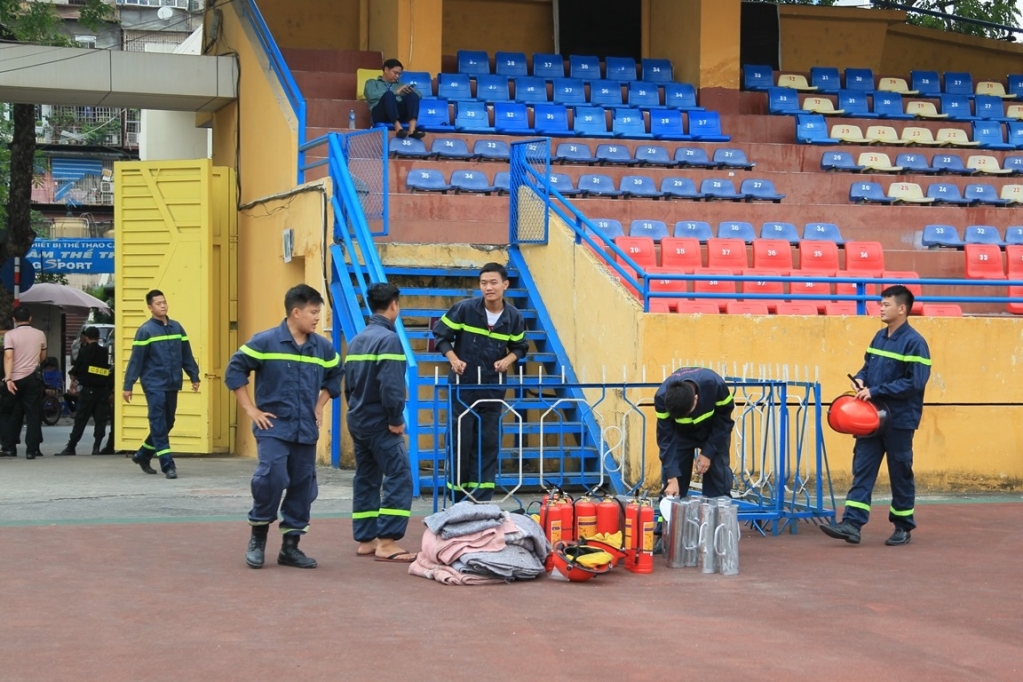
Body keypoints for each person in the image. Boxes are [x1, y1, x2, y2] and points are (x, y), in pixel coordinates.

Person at [226, 284, 343, 570]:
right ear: (296, 312)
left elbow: (335, 375)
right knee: (271, 478)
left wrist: (320, 404)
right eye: (314, 313)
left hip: (306, 430)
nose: (318, 319)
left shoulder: (323, 348)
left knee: (303, 487)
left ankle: (290, 548)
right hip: (274, 427)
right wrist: (250, 409)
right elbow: (235, 370)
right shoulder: (265, 342)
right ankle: (258, 539)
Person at [822, 285, 931, 547]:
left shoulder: (915, 343)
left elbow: (914, 382)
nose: (880, 308)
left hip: (899, 420)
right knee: (863, 469)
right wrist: (861, 378)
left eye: (886, 304)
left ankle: (903, 526)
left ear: (902, 309)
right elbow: (868, 365)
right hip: (870, 417)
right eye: (880, 304)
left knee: (900, 472)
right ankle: (852, 524)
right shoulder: (879, 337)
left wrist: (876, 390)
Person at [432, 263, 528, 502]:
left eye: (493, 282)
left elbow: (519, 347)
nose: (488, 287)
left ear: (505, 284)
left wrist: (507, 360)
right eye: (483, 283)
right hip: (463, 388)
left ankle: (481, 499)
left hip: (492, 390)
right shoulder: (464, 310)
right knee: (460, 444)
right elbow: (441, 336)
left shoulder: (514, 317)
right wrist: (453, 359)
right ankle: (458, 500)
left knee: (487, 443)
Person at [344, 283, 416, 562]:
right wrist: (396, 418)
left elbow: (348, 385)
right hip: (381, 424)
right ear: (394, 305)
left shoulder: (358, 339)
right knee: (400, 476)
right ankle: (387, 542)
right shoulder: (389, 340)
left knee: (366, 478)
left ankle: (366, 538)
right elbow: (392, 386)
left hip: (358, 419)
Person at [122, 290, 201, 480]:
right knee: (158, 422)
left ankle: (143, 454)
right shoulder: (146, 330)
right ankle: (168, 465)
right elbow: (136, 360)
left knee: (168, 422)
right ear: (150, 307)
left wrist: (194, 375)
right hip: (154, 383)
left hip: (172, 382)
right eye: (158, 303)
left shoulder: (177, 328)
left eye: (164, 302)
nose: (163, 306)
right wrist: (128, 384)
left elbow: (186, 354)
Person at [654, 366, 736, 500]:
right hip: (680, 435)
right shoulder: (662, 398)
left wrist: (708, 453)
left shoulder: (715, 386)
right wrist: (671, 478)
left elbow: (724, 422)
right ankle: (672, 518)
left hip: (713, 432)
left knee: (718, 484)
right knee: (674, 489)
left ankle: (716, 518)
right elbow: (666, 439)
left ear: (696, 399)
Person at [0, 307, 47, 459]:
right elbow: (43, 356)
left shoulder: (10, 335)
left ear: (14, 319)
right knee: (33, 414)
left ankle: (8, 447)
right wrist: (32, 363)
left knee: (7, 413)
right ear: (30, 318)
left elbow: (8, 357)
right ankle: (31, 450)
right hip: (32, 378)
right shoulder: (40, 334)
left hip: (13, 380)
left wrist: (8, 378)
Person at [58, 327, 112, 456]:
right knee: (101, 420)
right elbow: (107, 370)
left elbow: (77, 368)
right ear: (98, 337)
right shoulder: (104, 352)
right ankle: (96, 446)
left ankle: (71, 446)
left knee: (81, 419)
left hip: (87, 390)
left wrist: (74, 379)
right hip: (102, 391)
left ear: (86, 337)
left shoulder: (83, 351)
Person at [363, 58, 424, 139]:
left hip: (398, 113)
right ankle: (398, 128)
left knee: (413, 95)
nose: (397, 76)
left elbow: (419, 95)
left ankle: (412, 130)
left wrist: (410, 92)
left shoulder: (400, 84)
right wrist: (396, 92)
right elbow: (371, 95)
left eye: (399, 74)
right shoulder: (372, 82)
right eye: (395, 73)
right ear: (386, 69)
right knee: (389, 95)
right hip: (380, 113)